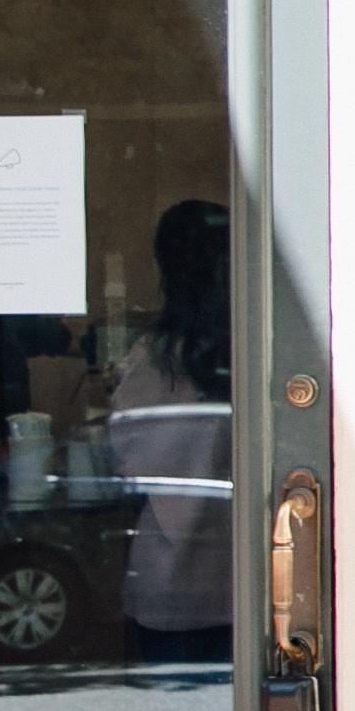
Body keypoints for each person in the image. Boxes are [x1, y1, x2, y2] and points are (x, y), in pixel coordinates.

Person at [109, 197, 230, 667]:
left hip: (173, 585)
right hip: (250, 585)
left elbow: (126, 464)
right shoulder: (258, 353)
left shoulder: (154, 362)